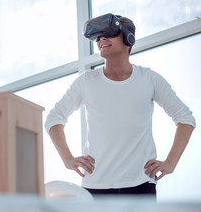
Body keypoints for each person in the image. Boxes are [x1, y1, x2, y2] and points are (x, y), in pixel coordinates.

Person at [44, 13, 196, 199]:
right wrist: (67, 158)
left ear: (128, 38)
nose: (101, 39)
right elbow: (54, 119)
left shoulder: (149, 79)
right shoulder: (86, 81)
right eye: (98, 36)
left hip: (141, 185)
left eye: (108, 33)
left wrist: (171, 162)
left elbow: (185, 118)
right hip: (95, 186)